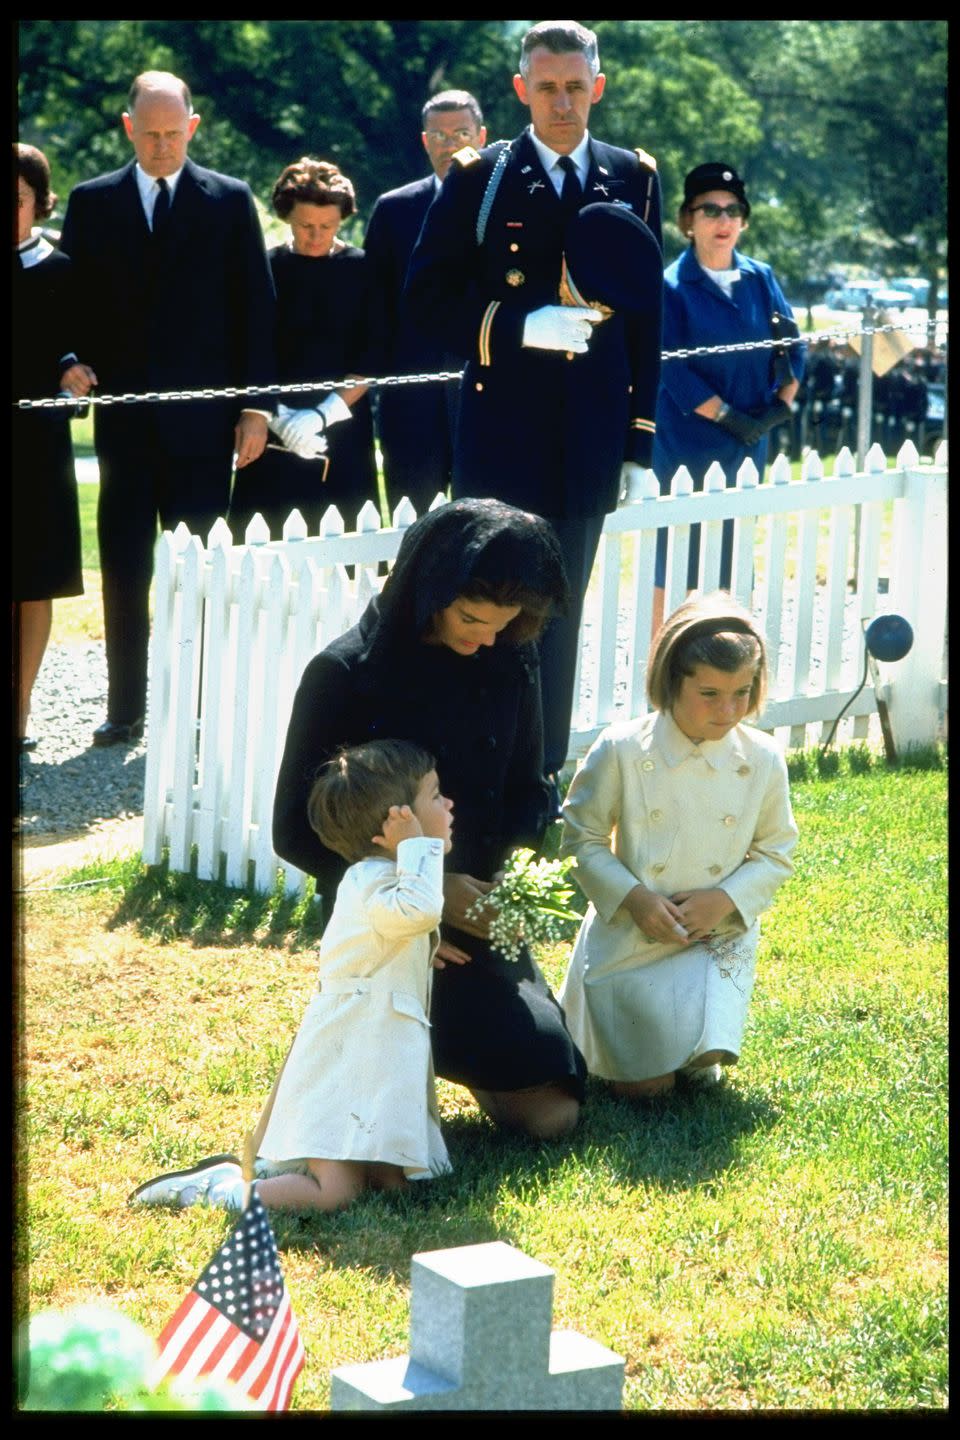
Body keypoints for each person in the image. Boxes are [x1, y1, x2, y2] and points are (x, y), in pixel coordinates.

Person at [272, 498, 586, 1140]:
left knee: (557, 1101)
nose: (487, 639)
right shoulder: (344, 676)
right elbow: (296, 832)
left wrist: (513, 891)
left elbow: (528, 788)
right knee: (539, 1104)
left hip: (481, 911)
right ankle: (385, 1034)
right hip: (387, 919)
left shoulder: (508, 655)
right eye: (471, 618)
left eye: (505, 623)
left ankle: (421, 1043)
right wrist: (428, 899)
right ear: (428, 589)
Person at [404, 19, 663, 790]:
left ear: (598, 86)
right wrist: (519, 327)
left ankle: (539, 780)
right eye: (546, 88)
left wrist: (638, 442)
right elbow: (425, 300)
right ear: (521, 90)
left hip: (587, 438)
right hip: (502, 436)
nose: (562, 103)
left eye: (576, 87)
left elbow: (647, 319)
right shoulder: (479, 178)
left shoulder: (633, 176)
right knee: (488, 610)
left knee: (558, 616)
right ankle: (476, 771)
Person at [129, 739, 454, 1213]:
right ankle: (216, 1192)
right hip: (346, 1055)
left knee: (396, 1186)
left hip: (379, 1054)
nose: (448, 804)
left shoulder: (389, 880)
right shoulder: (371, 882)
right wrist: (418, 849)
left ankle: (364, 1164)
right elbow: (419, 910)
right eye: (435, 795)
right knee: (334, 1193)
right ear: (394, 827)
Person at [58, 70, 276, 747]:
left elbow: (257, 312)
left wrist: (256, 408)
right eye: (148, 134)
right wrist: (66, 360)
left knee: (201, 573)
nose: (160, 146)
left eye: (172, 134)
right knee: (124, 569)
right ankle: (125, 708)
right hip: (123, 426)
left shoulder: (230, 200)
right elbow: (66, 301)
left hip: (204, 426)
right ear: (129, 128)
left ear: (193, 126)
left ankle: (201, 707)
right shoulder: (92, 202)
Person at [558, 592, 798, 1097]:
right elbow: (582, 838)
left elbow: (777, 851)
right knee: (647, 1092)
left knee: (701, 1064)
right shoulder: (621, 748)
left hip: (714, 938)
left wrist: (725, 901)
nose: (728, 709)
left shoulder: (763, 758)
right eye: (709, 693)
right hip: (633, 935)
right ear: (672, 680)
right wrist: (635, 899)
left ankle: (697, 1042)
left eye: (742, 692)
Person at [652, 162, 805, 620]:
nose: (723, 221)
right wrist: (729, 418)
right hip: (686, 445)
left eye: (733, 210)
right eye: (710, 211)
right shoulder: (671, 286)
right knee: (677, 561)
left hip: (747, 443)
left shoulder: (762, 277)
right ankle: (665, 672)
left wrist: (778, 408)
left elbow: (792, 347)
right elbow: (673, 371)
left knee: (735, 561)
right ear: (688, 221)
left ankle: (727, 659)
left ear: (744, 219)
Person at [229, 158, 380, 540]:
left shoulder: (363, 269)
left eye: (327, 227)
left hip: (341, 427)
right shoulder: (265, 268)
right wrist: (276, 417)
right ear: (286, 218)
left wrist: (320, 415)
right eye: (305, 226)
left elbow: (373, 354)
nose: (316, 236)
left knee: (346, 555)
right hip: (272, 430)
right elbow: (247, 346)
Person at [363, 90, 487, 518]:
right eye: (438, 135)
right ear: (424, 141)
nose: (450, 145)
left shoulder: (510, 205)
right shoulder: (394, 210)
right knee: (413, 531)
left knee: (488, 528)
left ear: (482, 136)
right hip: (410, 403)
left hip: (486, 396)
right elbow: (375, 311)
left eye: (461, 134)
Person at [14, 143, 86, 753]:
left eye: (15, 199)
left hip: (36, 453)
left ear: (39, 202)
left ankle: (20, 711)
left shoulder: (62, 271)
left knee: (33, 583)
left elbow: (76, 352)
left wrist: (75, 372)